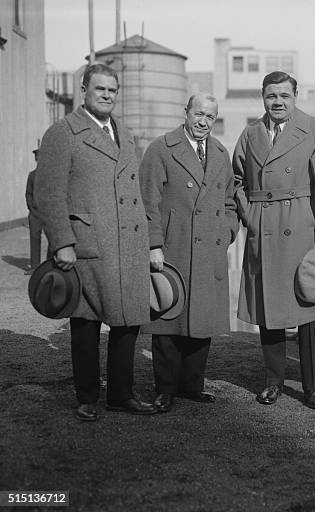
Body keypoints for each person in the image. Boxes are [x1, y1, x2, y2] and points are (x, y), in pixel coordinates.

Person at [34, 63, 156, 421]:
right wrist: (61, 242)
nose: (106, 95)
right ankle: (87, 396)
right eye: (99, 89)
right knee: (85, 323)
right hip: (88, 243)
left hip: (128, 243)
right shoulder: (63, 132)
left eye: (112, 90)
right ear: (84, 90)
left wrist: (147, 243)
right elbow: (49, 194)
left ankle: (121, 394)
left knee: (128, 321)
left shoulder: (124, 131)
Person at [233, 71, 315, 410]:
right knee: (270, 309)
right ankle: (273, 382)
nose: (277, 102)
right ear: (262, 97)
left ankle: (313, 387)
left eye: (284, 96)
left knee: (308, 304)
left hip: (303, 229)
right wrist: (251, 215)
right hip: (264, 228)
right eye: (270, 96)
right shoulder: (250, 134)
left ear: (296, 96)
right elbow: (235, 180)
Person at [139, 93, 238, 413]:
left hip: (210, 250)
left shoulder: (221, 154)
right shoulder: (160, 149)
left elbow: (230, 202)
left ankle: (192, 385)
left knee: (202, 321)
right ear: (186, 113)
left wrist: (227, 233)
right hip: (173, 248)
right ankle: (165, 389)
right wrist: (154, 245)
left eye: (210, 117)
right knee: (167, 318)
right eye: (198, 114)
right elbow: (147, 202)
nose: (203, 122)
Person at [25, 149, 51, 274]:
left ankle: (50, 265)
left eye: (41, 157)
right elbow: (28, 194)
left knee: (53, 239)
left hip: (48, 214)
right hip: (35, 214)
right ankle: (35, 266)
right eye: (37, 158)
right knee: (34, 239)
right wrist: (32, 207)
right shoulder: (32, 175)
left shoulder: (51, 176)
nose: (38, 160)